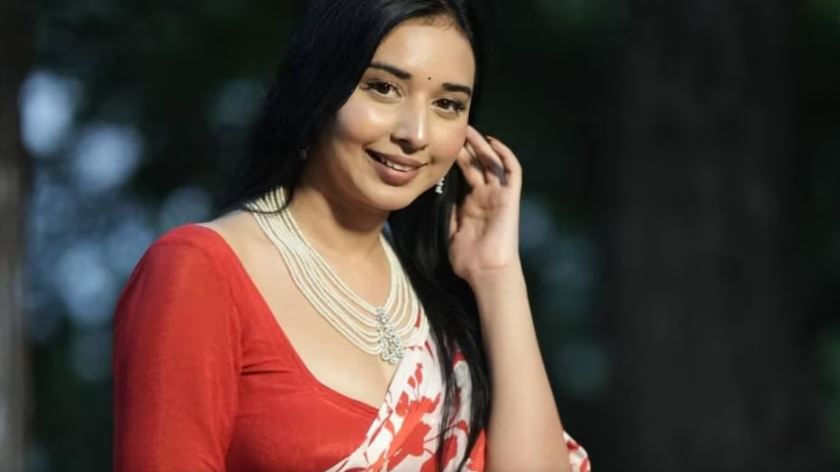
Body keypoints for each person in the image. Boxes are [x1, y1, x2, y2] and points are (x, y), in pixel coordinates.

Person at [112, 0, 591, 470]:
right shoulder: (198, 270)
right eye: (383, 88)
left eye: (448, 104)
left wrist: (497, 274)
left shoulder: (445, 305)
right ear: (317, 89)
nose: (416, 133)